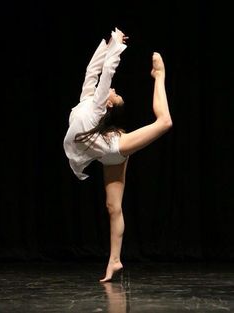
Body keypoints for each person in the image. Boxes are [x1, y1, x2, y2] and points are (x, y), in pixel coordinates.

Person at [63, 27, 173, 282]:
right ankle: (114, 260)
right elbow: (92, 72)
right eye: (114, 91)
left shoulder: (98, 105)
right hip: (106, 155)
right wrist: (104, 44)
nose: (112, 90)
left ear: (109, 103)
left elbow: (106, 74)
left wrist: (115, 44)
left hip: (116, 147)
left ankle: (160, 75)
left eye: (114, 93)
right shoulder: (87, 102)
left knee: (165, 122)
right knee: (113, 207)